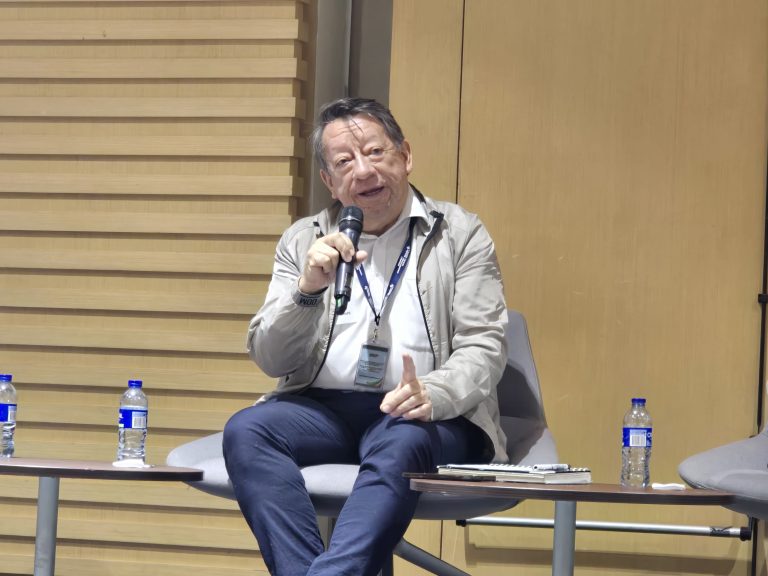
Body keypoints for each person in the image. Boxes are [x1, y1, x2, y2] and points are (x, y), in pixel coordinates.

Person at [223, 97, 509, 576]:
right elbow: (271, 359)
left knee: (403, 440)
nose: (363, 171)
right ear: (329, 181)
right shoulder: (303, 239)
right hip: (323, 411)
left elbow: (485, 345)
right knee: (248, 430)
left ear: (405, 156)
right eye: (344, 162)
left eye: (376, 152)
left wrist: (434, 393)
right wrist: (307, 291)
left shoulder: (459, 233)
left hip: (422, 413)